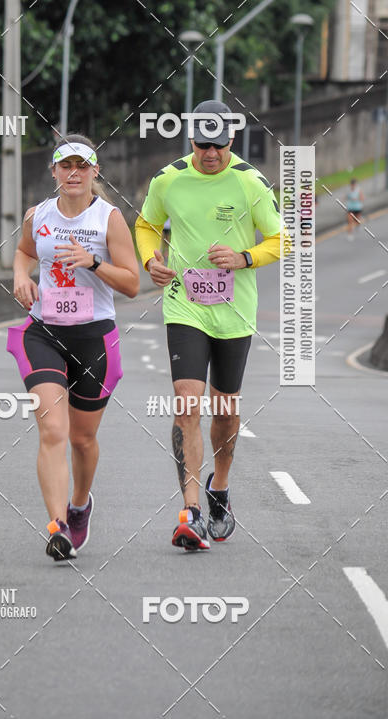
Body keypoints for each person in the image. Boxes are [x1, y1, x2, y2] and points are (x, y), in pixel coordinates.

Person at [135, 101, 284, 551]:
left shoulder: (250, 182)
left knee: (224, 409)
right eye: (203, 144)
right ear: (191, 140)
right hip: (185, 305)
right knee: (187, 401)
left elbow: (281, 239)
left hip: (235, 310)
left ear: (231, 141)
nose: (211, 153)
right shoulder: (168, 179)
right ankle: (191, 510)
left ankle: (219, 485)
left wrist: (244, 258)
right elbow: (146, 224)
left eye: (220, 144)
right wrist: (150, 259)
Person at [7, 135, 139, 562]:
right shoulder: (38, 215)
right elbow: (24, 252)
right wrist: (21, 277)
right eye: (66, 166)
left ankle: (79, 504)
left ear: (95, 172)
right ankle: (57, 526)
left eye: (83, 166)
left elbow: (134, 285)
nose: (74, 173)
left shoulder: (109, 219)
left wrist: (94, 263)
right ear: (54, 172)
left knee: (82, 439)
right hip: (45, 332)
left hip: (94, 336)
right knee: (53, 431)